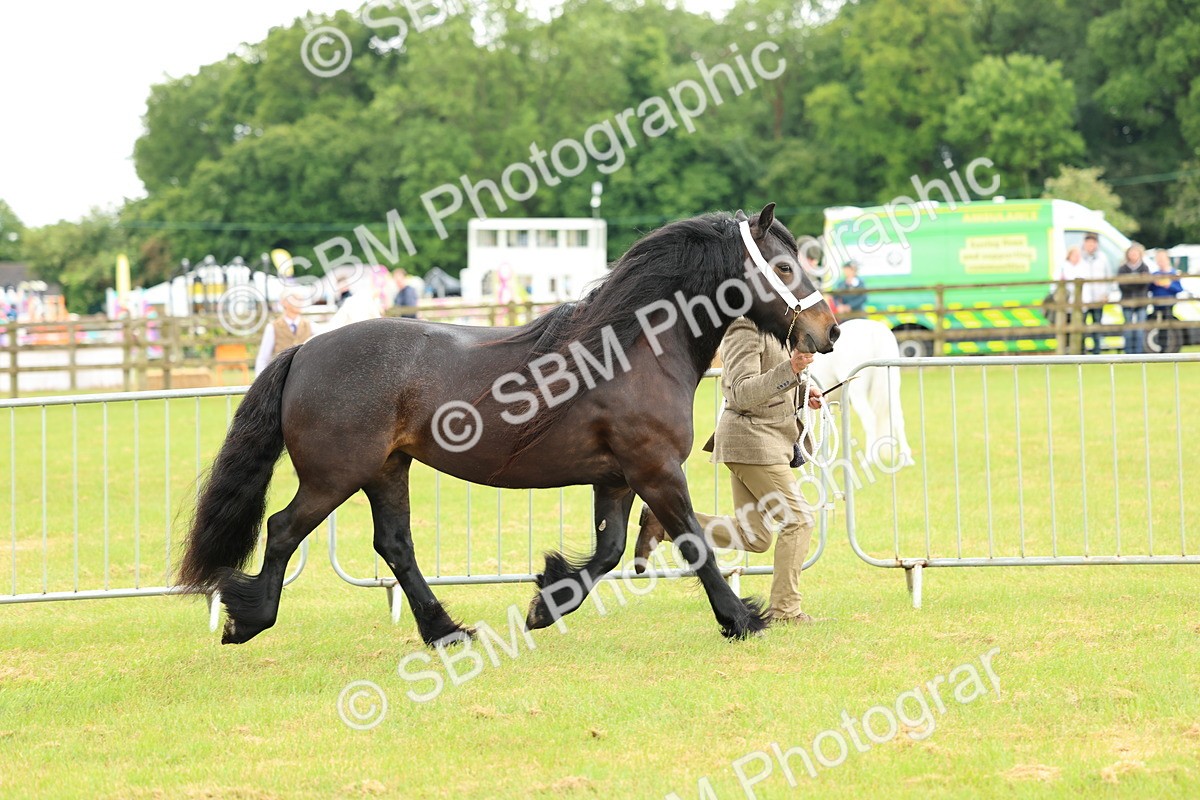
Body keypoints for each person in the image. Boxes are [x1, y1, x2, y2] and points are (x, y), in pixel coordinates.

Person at [633, 317, 824, 625]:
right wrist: (791, 368)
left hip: (769, 441)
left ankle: (664, 524)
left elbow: (774, 386)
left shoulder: (777, 328)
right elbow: (741, 394)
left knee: (755, 537)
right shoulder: (745, 328)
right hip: (752, 443)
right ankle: (786, 611)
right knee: (798, 520)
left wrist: (804, 392)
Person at [254, 290, 312, 375]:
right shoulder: (272, 327)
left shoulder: (310, 325)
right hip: (281, 375)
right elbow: (263, 358)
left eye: (301, 299)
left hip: (304, 374)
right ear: (284, 302)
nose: (300, 302)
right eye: (295, 299)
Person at [1079, 233, 1111, 354]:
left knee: (1097, 327)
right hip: (1084, 299)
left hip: (1098, 298)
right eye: (1088, 243)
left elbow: (1108, 277)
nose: (1090, 246)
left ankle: (1097, 352)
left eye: (1093, 243)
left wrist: (1106, 293)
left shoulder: (1103, 258)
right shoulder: (1080, 258)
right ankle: (1081, 352)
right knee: (1081, 327)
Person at [1117, 244, 1150, 354]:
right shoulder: (1122, 268)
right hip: (1127, 301)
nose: (1133, 255)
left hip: (1141, 302)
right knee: (1128, 329)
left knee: (1140, 330)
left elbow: (1145, 285)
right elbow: (1122, 285)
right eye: (1131, 253)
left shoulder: (1145, 268)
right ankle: (1128, 353)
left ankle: (1139, 353)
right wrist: (1137, 281)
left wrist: (1131, 282)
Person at [1149, 249, 1185, 321]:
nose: (1160, 262)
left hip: (1169, 304)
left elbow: (1179, 289)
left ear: (1167, 259)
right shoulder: (1154, 274)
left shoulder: (1174, 273)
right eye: (1158, 259)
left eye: (1162, 259)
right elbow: (1149, 288)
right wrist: (1154, 283)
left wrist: (1169, 285)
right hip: (1156, 303)